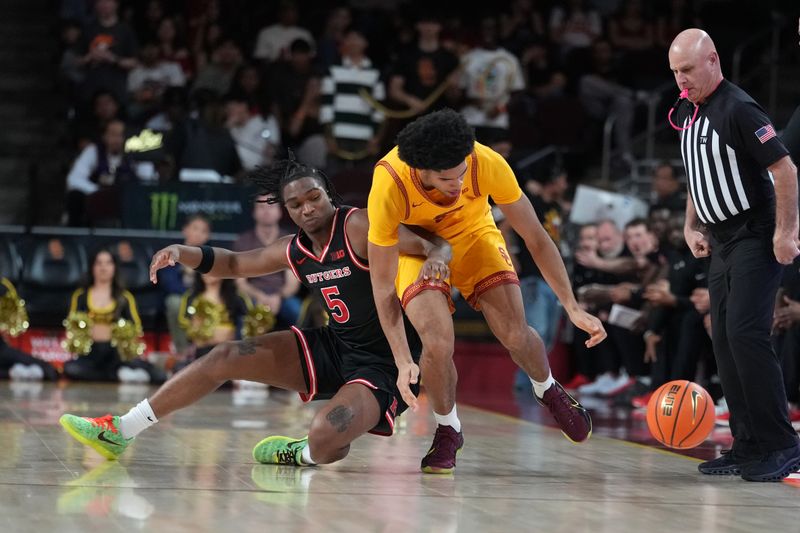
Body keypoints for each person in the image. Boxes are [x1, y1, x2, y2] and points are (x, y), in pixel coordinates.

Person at [59, 157, 451, 469]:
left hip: (385, 365)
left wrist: (437, 259)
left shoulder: (358, 225)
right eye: (295, 204)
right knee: (224, 355)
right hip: (335, 345)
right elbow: (232, 264)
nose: (307, 208)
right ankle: (121, 430)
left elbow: (433, 245)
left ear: (328, 193)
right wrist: (182, 252)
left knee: (325, 438)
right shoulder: (294, 248)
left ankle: (303, 453)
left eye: (313, 197)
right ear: (287, 211)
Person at [366, 109, 606, 474]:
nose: (459, 184)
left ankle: (547, 388)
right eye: (448, 179)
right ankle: (449, 429)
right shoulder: (389, 181)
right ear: (422, 171)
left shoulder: (486, 161)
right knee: (437, 342)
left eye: (462, 173)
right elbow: (382, 285)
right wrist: (401, 358)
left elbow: (536, 237)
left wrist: (571, 306)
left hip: (476, 236)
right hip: (420, 249)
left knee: (514, 332)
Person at [669, 28, 800, 481]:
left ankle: (782, 443)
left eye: (687, 70)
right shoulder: (689, 109)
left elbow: (785, 170)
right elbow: (695, 172)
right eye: (674, 73)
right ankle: (747, 444)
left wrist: (786, 232)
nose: (681, 80)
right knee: (722, 339)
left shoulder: (739, 108)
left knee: (746, 334)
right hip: (721, 238)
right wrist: (691, 224)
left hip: (755, 232)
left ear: (713, 60)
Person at [62, 247, 165, 383]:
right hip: (90, 354)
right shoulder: (80, 296)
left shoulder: (125, 298)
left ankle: (117, 373)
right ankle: (117, 376)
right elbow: (72, 326)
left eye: (108, 263)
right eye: (99, 263)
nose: (103, 267)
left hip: (116, 354)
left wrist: (113, 332)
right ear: (92, 267)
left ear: (114, 267)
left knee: (158, 375)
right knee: (70, 369)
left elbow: (135, 328)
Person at [233, 197, 301, 327]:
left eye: (271, 206)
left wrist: (278, 297)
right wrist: (259, 296)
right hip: (252, 295)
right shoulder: (243, 241)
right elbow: (240, 283)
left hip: (282, 296)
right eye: (261, 207)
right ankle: (243, 347)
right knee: (241, 309)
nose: (266, 211)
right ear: (254, 212)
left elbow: (292, 283)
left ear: (279, 212)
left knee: (295, 310)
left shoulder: (290, 241)